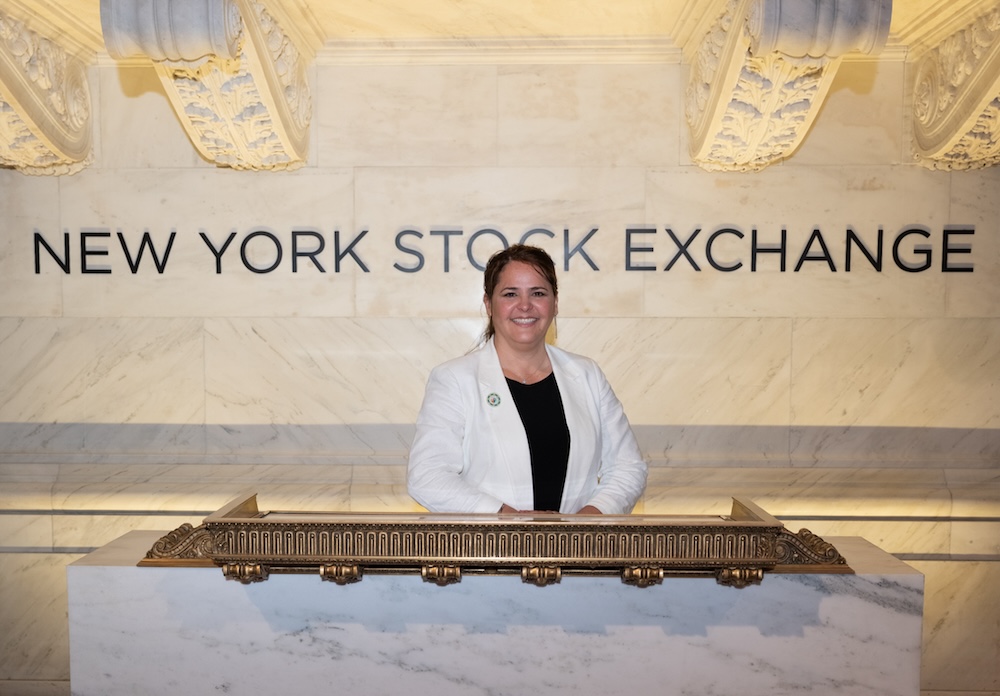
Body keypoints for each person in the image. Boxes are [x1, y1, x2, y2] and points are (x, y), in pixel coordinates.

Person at [407, 244, 647, 514]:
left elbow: (629, 468)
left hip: (574, 551)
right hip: (489, 550)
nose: (524, 305)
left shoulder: (587, 374)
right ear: (488, 304)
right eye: (510, 294)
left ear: (555, 303)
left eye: (538, 293)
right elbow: (427, 477)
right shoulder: (454, 379)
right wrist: (514, 523)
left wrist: (585, 523)